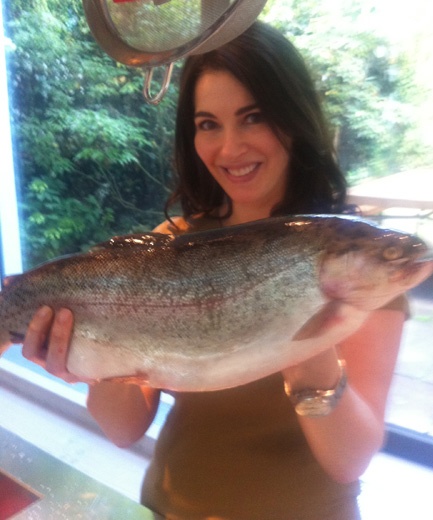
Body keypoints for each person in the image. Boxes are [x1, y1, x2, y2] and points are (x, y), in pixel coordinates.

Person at [21, 22, 407, 520]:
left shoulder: (359, 261)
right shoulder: (168, 245)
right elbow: (123, 429)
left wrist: (313, 353)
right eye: (209, 124)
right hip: (171, 508)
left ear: (293, 119)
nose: (229, 149)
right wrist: (90, 364)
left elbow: (348, 461)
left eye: (253, 117)